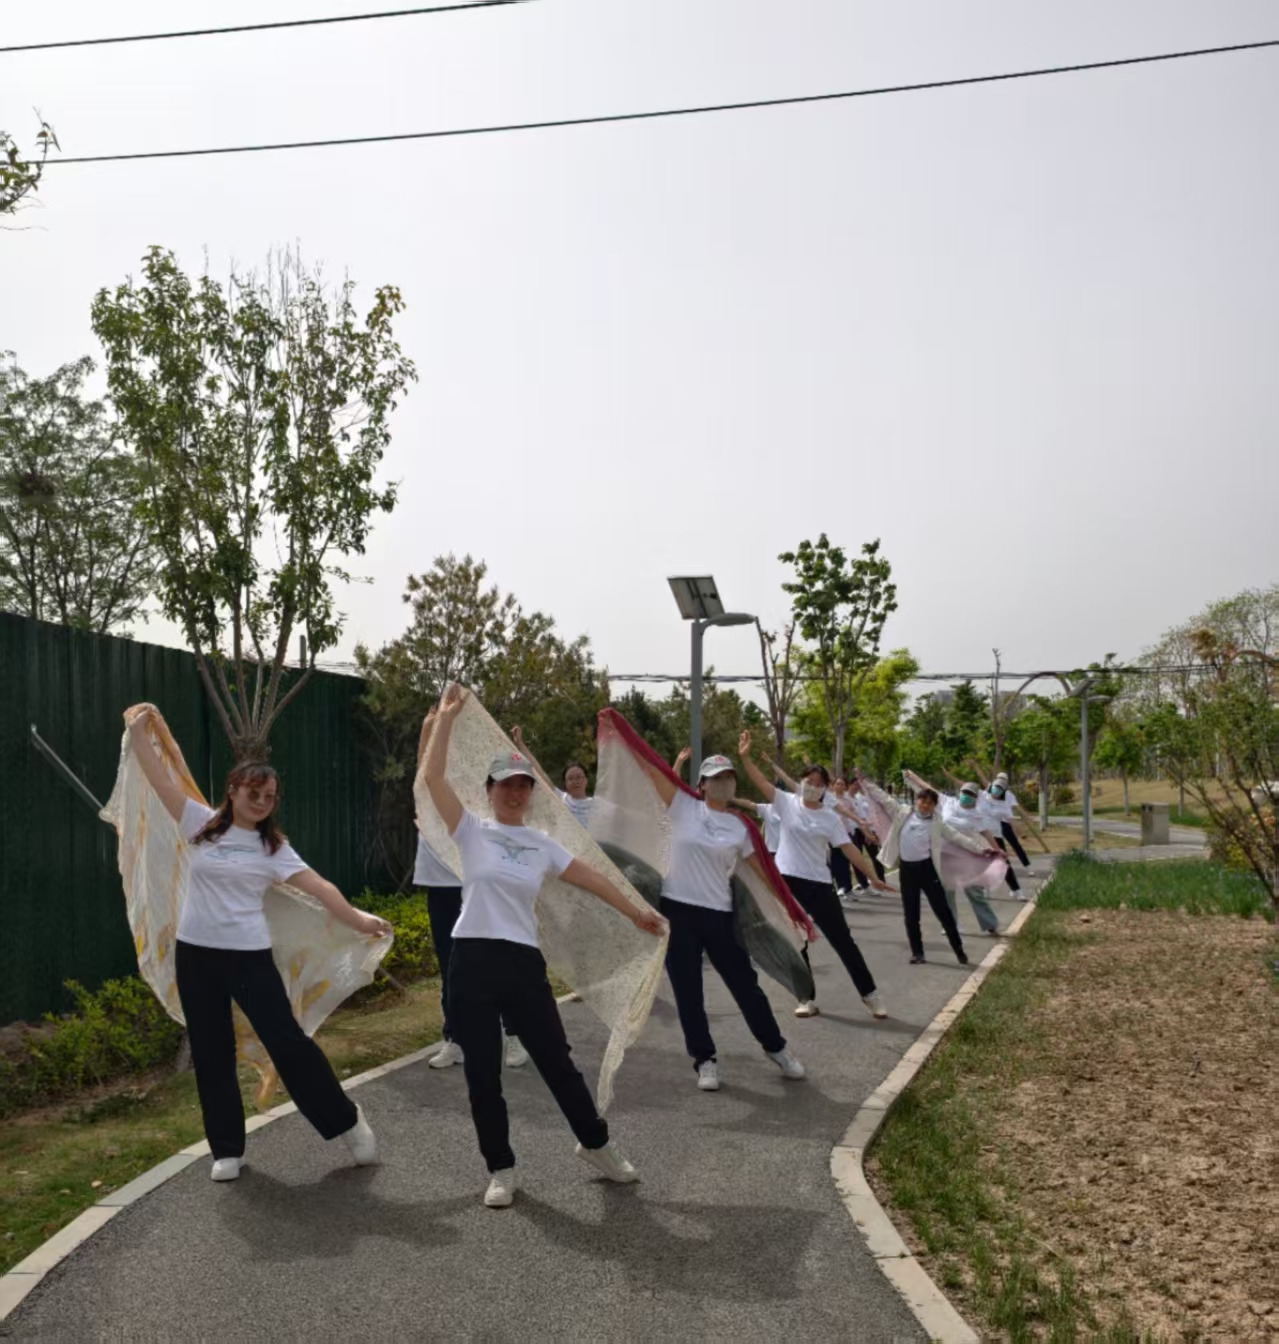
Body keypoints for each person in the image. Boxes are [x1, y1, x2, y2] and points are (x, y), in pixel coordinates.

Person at [423, 685, 666, 1209]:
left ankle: (595, 1144)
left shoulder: (542, 844)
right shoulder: (470, 830)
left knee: (556, 1061)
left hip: (521, 962)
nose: (515, 793)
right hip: (472, 959)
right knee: (482, 1072)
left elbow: (593, 878)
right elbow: (432, 778)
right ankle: (501, 1168)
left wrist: (635, 911)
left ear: (531, 792)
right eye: (506, 784)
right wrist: (445, 718)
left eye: (523, 785)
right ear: (489, 789)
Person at [125, 709, 391, 1182]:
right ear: (233, 790)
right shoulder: (198, 822)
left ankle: (347, 1122)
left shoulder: (273, 848)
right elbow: (158, 778)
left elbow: (319, 887)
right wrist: (137, 733)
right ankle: (226, 1148)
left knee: (287, 1044)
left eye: (270, 797)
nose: (262, 802)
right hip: (195, 956)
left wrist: (359, 919)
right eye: (254, 793)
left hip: (248, 959)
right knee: (211, 1050)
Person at [640, 751, 806, 1091]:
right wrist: (618, 730)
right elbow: (649, 766)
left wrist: (790, 907)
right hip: (678, 912)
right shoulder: (683, 806)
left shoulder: (740, 826)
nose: (723, 783)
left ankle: (776, 1047)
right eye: (716, 778)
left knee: (746, 986)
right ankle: (705, 1059)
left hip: (719, 915)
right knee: (688, 992)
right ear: (701, 784)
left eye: (728, 777)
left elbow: (762, 872)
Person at [738, 734, 890, 1020]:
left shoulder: (830, 817)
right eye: (809, 782)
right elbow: (760, 781)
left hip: (819, 885)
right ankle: (805, 997)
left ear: (825, 789)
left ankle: (870, 994)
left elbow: (848, 849)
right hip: (787, 883)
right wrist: (745, 758)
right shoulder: (786, 802)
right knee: (796, 941)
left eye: (820, 784)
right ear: (801, 782)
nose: (813, 787)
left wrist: (872, 876)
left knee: (843, 941)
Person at [421, 710, 528, 1071]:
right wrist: (431, 725)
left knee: (499, 961)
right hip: (441, 886)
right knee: (450, 967)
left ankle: (513, 1033)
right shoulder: (430, 786)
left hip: (477, 885)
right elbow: (425, 769)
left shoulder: (477, 793)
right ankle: (455, 1038)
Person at [859, 772, 999, 966]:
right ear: (917, 801)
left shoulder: (937, 823)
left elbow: (958, 838)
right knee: (911, 914)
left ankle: (958, 950)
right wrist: (866, 782)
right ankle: (917, 953)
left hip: (927, 870)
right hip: (907, 871)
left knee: (943, 912)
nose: (925, 805)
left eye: (929, 803)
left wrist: (981, 849)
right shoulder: (902, 813)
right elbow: (884, 798)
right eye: (922, 801)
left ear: (934, 806)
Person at [937, 781, 1002, 937]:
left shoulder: (977, 815)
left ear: (976, 797)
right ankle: (950, 925)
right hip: (945, 853)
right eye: (965, 792)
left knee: (973, 890)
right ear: (960, 792)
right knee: (947, 892)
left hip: (968, 855)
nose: (966, 796)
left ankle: (990, 923)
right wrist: (911, 776)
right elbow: (926, 787)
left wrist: (997, 850)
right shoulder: (948, 802)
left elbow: (986, 833)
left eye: (971, 794)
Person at [988, 773, 1032, 882]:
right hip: (992, 823)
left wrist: (1026, 816)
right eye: (999, 779)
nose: (1001, 781)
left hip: (1005, 822)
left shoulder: (1009, 795)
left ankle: (1027, 866)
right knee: (997, 848)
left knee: (1015, 845)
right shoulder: (990, 790)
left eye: (1003, 780)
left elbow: (1017, 807)